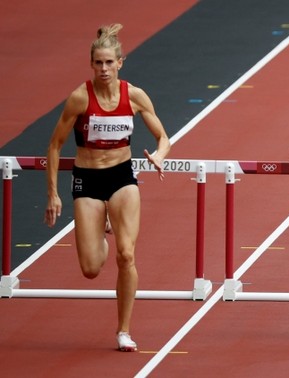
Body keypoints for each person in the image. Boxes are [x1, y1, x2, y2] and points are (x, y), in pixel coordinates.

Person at [44, 23, 171, 352]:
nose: (103, 69)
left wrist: (159, 154)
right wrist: (53, 193)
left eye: (109, 63)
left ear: (120, 63)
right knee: (90, 269)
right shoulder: (80, 98)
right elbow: (55, 146)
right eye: (98, 63)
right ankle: (100, 225)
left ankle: (123, 331)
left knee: (126, 255)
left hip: (122, 177)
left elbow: (162, 136)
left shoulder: (135, 96)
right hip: (88, 179)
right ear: (91, 64)